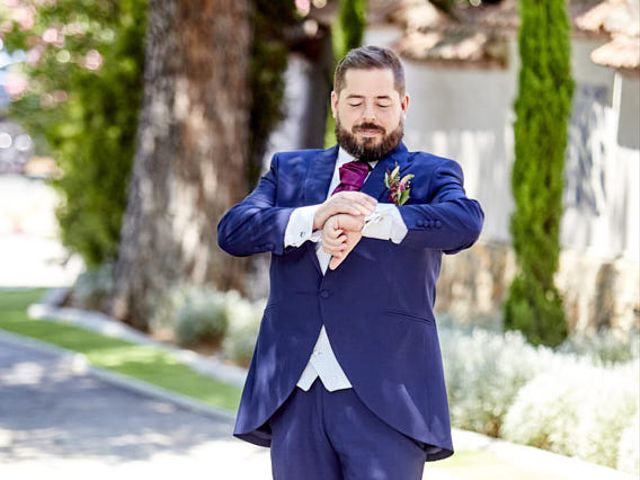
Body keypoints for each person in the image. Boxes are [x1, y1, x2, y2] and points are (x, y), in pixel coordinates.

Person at [217, 45, 484, 480]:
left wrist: (369, 218)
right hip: (296, 394)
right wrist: (313, 217)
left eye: (382, 102)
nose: (369, 115)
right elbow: (234, 230)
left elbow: (465, 222)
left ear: (403, 105)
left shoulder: (432, 173)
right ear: (335, 104)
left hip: (389, 396)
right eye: (356, 102)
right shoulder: (290, 170)